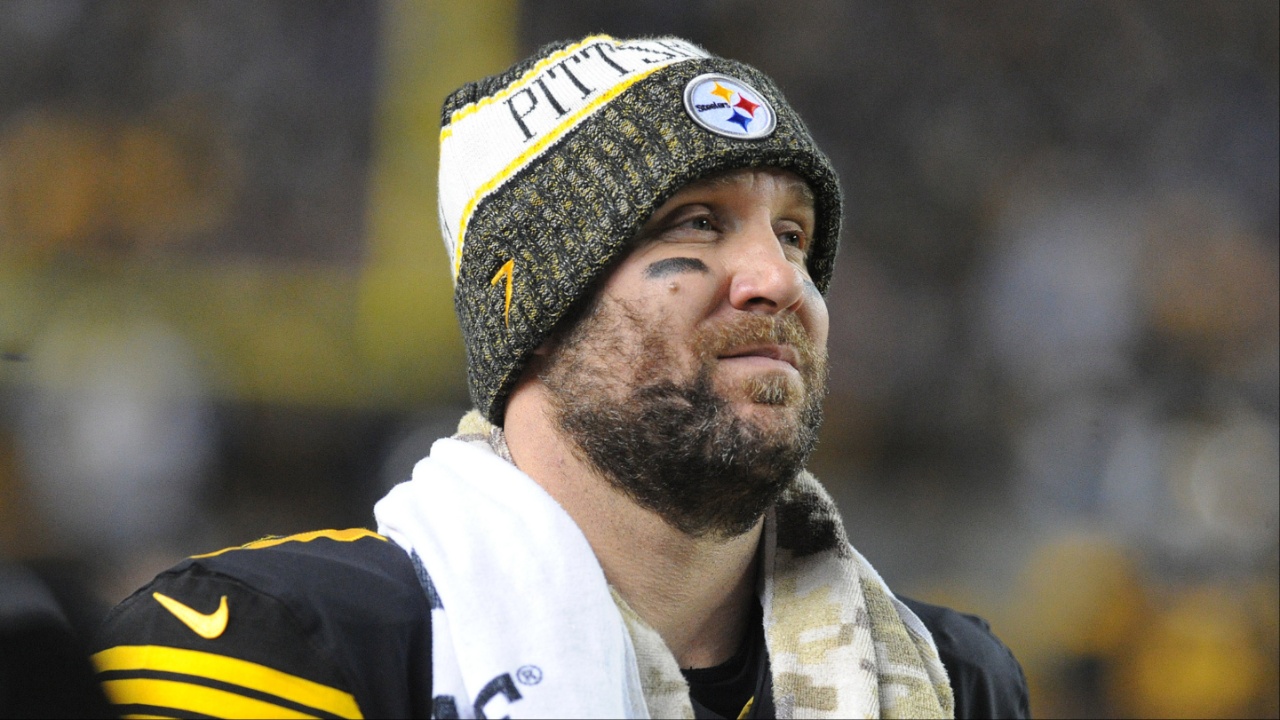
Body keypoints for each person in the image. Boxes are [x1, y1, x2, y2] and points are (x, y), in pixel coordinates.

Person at [91, 34, 1028, 719]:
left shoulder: (958, 680)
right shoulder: (275, 643)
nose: (783, 279)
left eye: (794, 234)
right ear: (536, 312)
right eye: (696, 222)